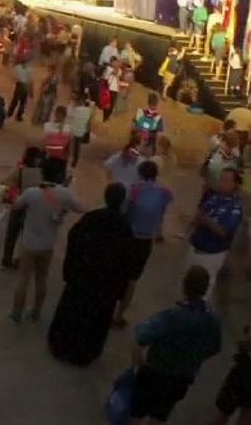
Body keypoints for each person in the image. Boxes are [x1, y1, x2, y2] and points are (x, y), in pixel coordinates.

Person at [47, 182, 132, 366]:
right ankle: (85, 353)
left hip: (83, 277)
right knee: (95, 320)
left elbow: (74, 238)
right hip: (105, 285)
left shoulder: (92, 218)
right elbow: (126, 260)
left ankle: (62, 346)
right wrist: (119, 288)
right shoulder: (124, 227)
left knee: (73, 311)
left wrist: (70, 269)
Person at [131, 266, 222, 424]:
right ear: (206, 288)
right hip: (182, 377)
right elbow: (214, 348)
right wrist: (195, 359)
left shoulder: (171, 316)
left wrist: (139, 364)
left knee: (139, 410)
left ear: (184, 285)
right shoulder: (212, 319)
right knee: (161, 413)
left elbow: (141, 337)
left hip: (156, 372)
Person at [9, 177, 85, 324]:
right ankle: (36, 312)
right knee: (41, 279)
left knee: (23, 279)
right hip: (47, 246)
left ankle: (16, 314)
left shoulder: (31, 193)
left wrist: (13, 193)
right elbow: (81, 208)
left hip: (29, 244)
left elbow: (16, 205)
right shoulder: (64, 194)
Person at [114, 160, 174, 328]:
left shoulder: (134, 191)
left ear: (140, 174)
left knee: (118, 273)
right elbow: (164, 208)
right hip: (145, 241)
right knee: (132, 280)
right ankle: (119, 316)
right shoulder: (164, 193)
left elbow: (124, 211)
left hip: (128, 237)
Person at [191, 168, 246, 304]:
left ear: (235, 184)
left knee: (203, 289)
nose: (221, 183)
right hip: (195, 246)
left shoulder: (235, 207)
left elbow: (224, 232)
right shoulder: (213, 197)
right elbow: (198, 217)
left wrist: (206, 221)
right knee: (189, 284)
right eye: (221, 179)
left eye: (226, 181)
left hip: (212, 253)